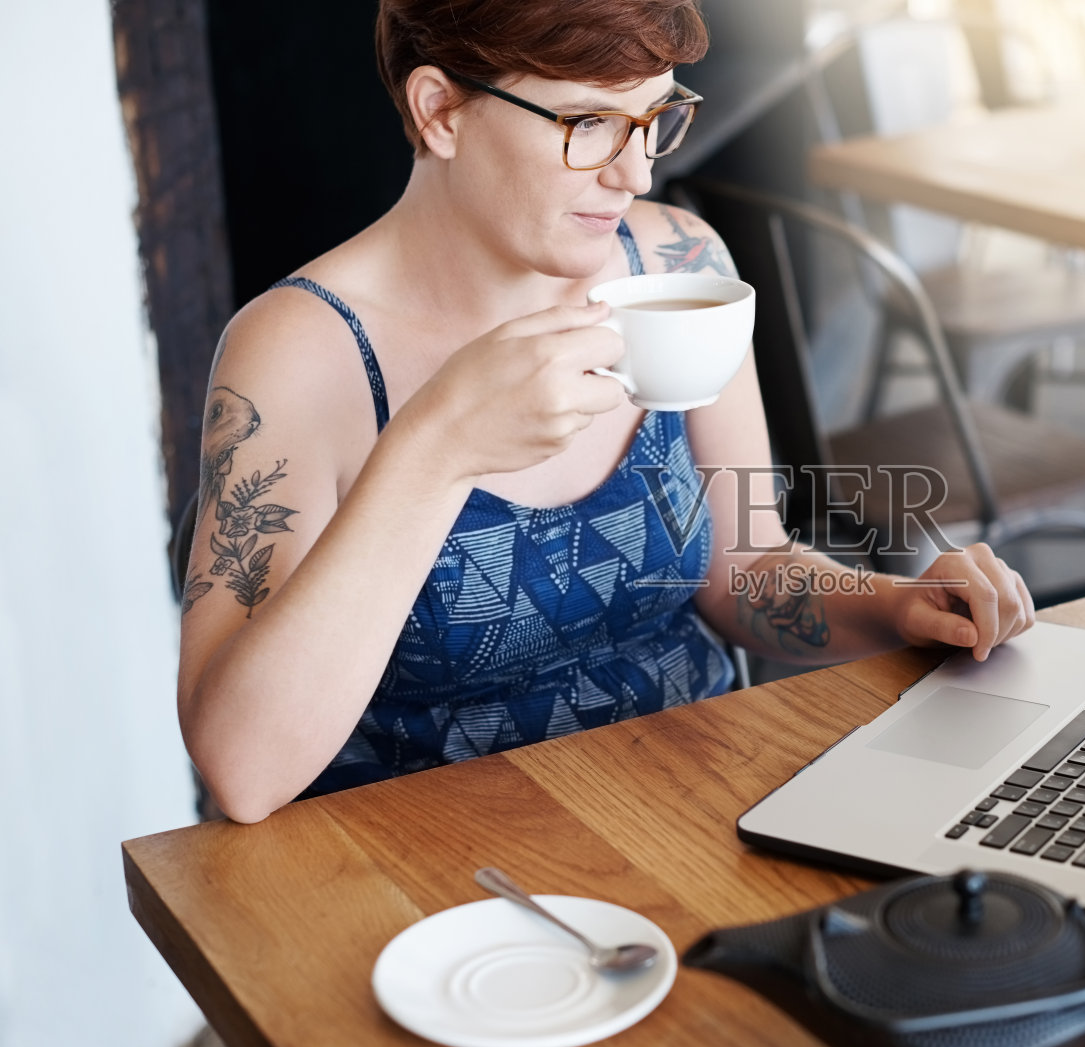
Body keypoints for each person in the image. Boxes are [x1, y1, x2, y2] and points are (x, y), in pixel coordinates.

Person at [177, 0, 1037, 824]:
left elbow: (747, 570)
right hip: (432, 885)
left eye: (655, 115)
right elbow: (243, 771)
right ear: (441, 110)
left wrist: (896, 608)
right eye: (586, 123)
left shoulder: (676, 263)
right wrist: (435, 450)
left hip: (694, 810)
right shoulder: (300, 352)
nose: (637, 170)